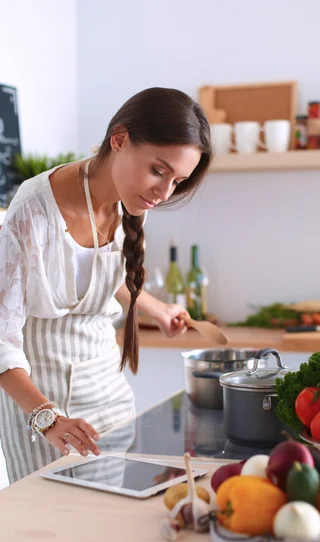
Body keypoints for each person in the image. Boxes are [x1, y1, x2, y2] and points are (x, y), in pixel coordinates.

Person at [0, 87, 213, 483]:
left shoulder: (131, 201)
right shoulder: (33, 211)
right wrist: (47, 418)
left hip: (109, 400)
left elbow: (94, 274)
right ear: (119, 140)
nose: (163, 193)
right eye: (158, 170)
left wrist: (156, 308)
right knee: (47, 537)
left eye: (177, 181)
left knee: (99, 534)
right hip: (43, 409)